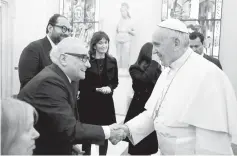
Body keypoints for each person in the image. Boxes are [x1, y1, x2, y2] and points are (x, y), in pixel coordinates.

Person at [117, 19, 237, 155]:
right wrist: (127, 129)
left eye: (157, 45)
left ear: (176, 43)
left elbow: (212, 141)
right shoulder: (168, 70)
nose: (154, 51)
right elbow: (155, 114)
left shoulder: (208, 74)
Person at [17, 37, 125, 155]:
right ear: (63, 59)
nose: (88, 65)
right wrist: (109, 131)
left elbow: (57, 124)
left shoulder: (62, 78)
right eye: (83, 58)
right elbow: (68, 129)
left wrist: (70, 145)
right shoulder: (49, 82)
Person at [77, 31, 118, 155]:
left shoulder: (112, 61)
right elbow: (81, 83)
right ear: (94, 45)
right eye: (100, 43)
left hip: (105, 102)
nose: (104, 45)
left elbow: (115, 81)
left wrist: (110, 88)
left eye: (106, 42)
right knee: (87, 134)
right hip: (88, 101)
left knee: (105, 133)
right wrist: (96, 89)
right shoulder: (86, 60)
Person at [123, 42, 161, 155]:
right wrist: (154, 62)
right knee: (137, 147)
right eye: (155, 53)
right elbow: (143, 81)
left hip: (151, 111)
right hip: (138, 111)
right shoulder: (134, 68)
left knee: (149, 147)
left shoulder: (157, 69)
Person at [18, 14, 71, 89]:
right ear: (50, 28)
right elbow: (27, 83)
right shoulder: (33, 49)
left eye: (69, 30)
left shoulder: (64, 52)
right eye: (63, 28)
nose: (67, 33)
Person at [116, 2, 135, 69]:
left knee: (126, 57)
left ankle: (125, 70)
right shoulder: (119, 20)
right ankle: (118, 71)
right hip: (119, 40)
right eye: (121, 11)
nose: (122, 13)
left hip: (126, 41)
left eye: (123, 11)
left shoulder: (130, 21)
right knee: (118, 56)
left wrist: (128, 31)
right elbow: (117, 30)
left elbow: (134, 32)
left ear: (127, 11)